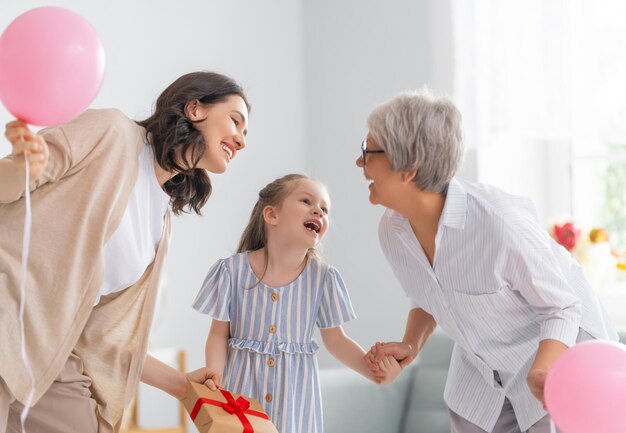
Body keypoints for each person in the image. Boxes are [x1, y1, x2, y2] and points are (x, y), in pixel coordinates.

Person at [0, 71, 249, 433]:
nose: (241, 140)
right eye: (236, 121)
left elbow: (105, 337)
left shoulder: (160, 221)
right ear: (195, 108)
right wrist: (23, 168)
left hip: (52, 351)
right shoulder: (111, 131)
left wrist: (182, 386)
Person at [357, 90, 618, 433]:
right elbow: (428, 296)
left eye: (369, 150)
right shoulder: (393, 231)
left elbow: (563, 307)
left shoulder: (499, 225)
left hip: (557, 360)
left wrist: (544, 369)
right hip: (480, 376)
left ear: (408, 168)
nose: (360, 162)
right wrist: (410, 345)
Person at [192, 173, 401, 433]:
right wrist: (215, 381)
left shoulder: (323, 278)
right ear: (272, 215)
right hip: (241, 397)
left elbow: (336, 340)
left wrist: (373, 372)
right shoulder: (231, 271)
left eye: (325, 209)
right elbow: (218, 335)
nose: (319, 211)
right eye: (306, 201)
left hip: (294, 405)